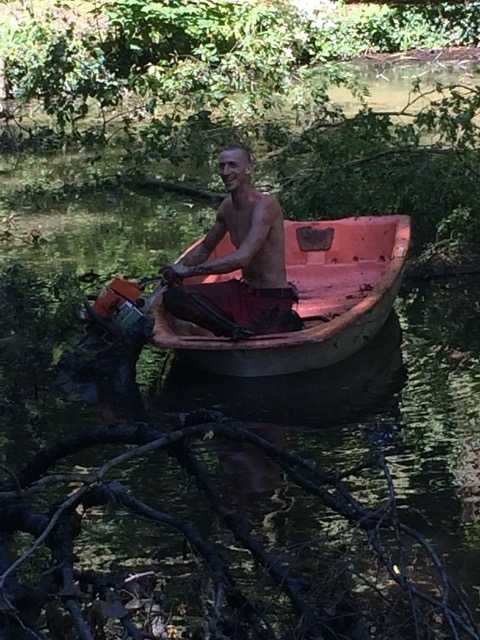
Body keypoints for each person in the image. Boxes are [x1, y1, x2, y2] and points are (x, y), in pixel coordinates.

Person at [161, 144, 303, 339]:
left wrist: (190, 271)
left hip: (270, 298)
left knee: (266, 327)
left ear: (249, 168)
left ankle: (239, 329)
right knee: (173, 298)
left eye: (232, 165)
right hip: (243, 291)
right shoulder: (227, 207)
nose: (226, 172)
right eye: (222, 166)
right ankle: (232, 329)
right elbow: (204, 248)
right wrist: (176, 268)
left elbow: (242, 258)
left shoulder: (265, 206)